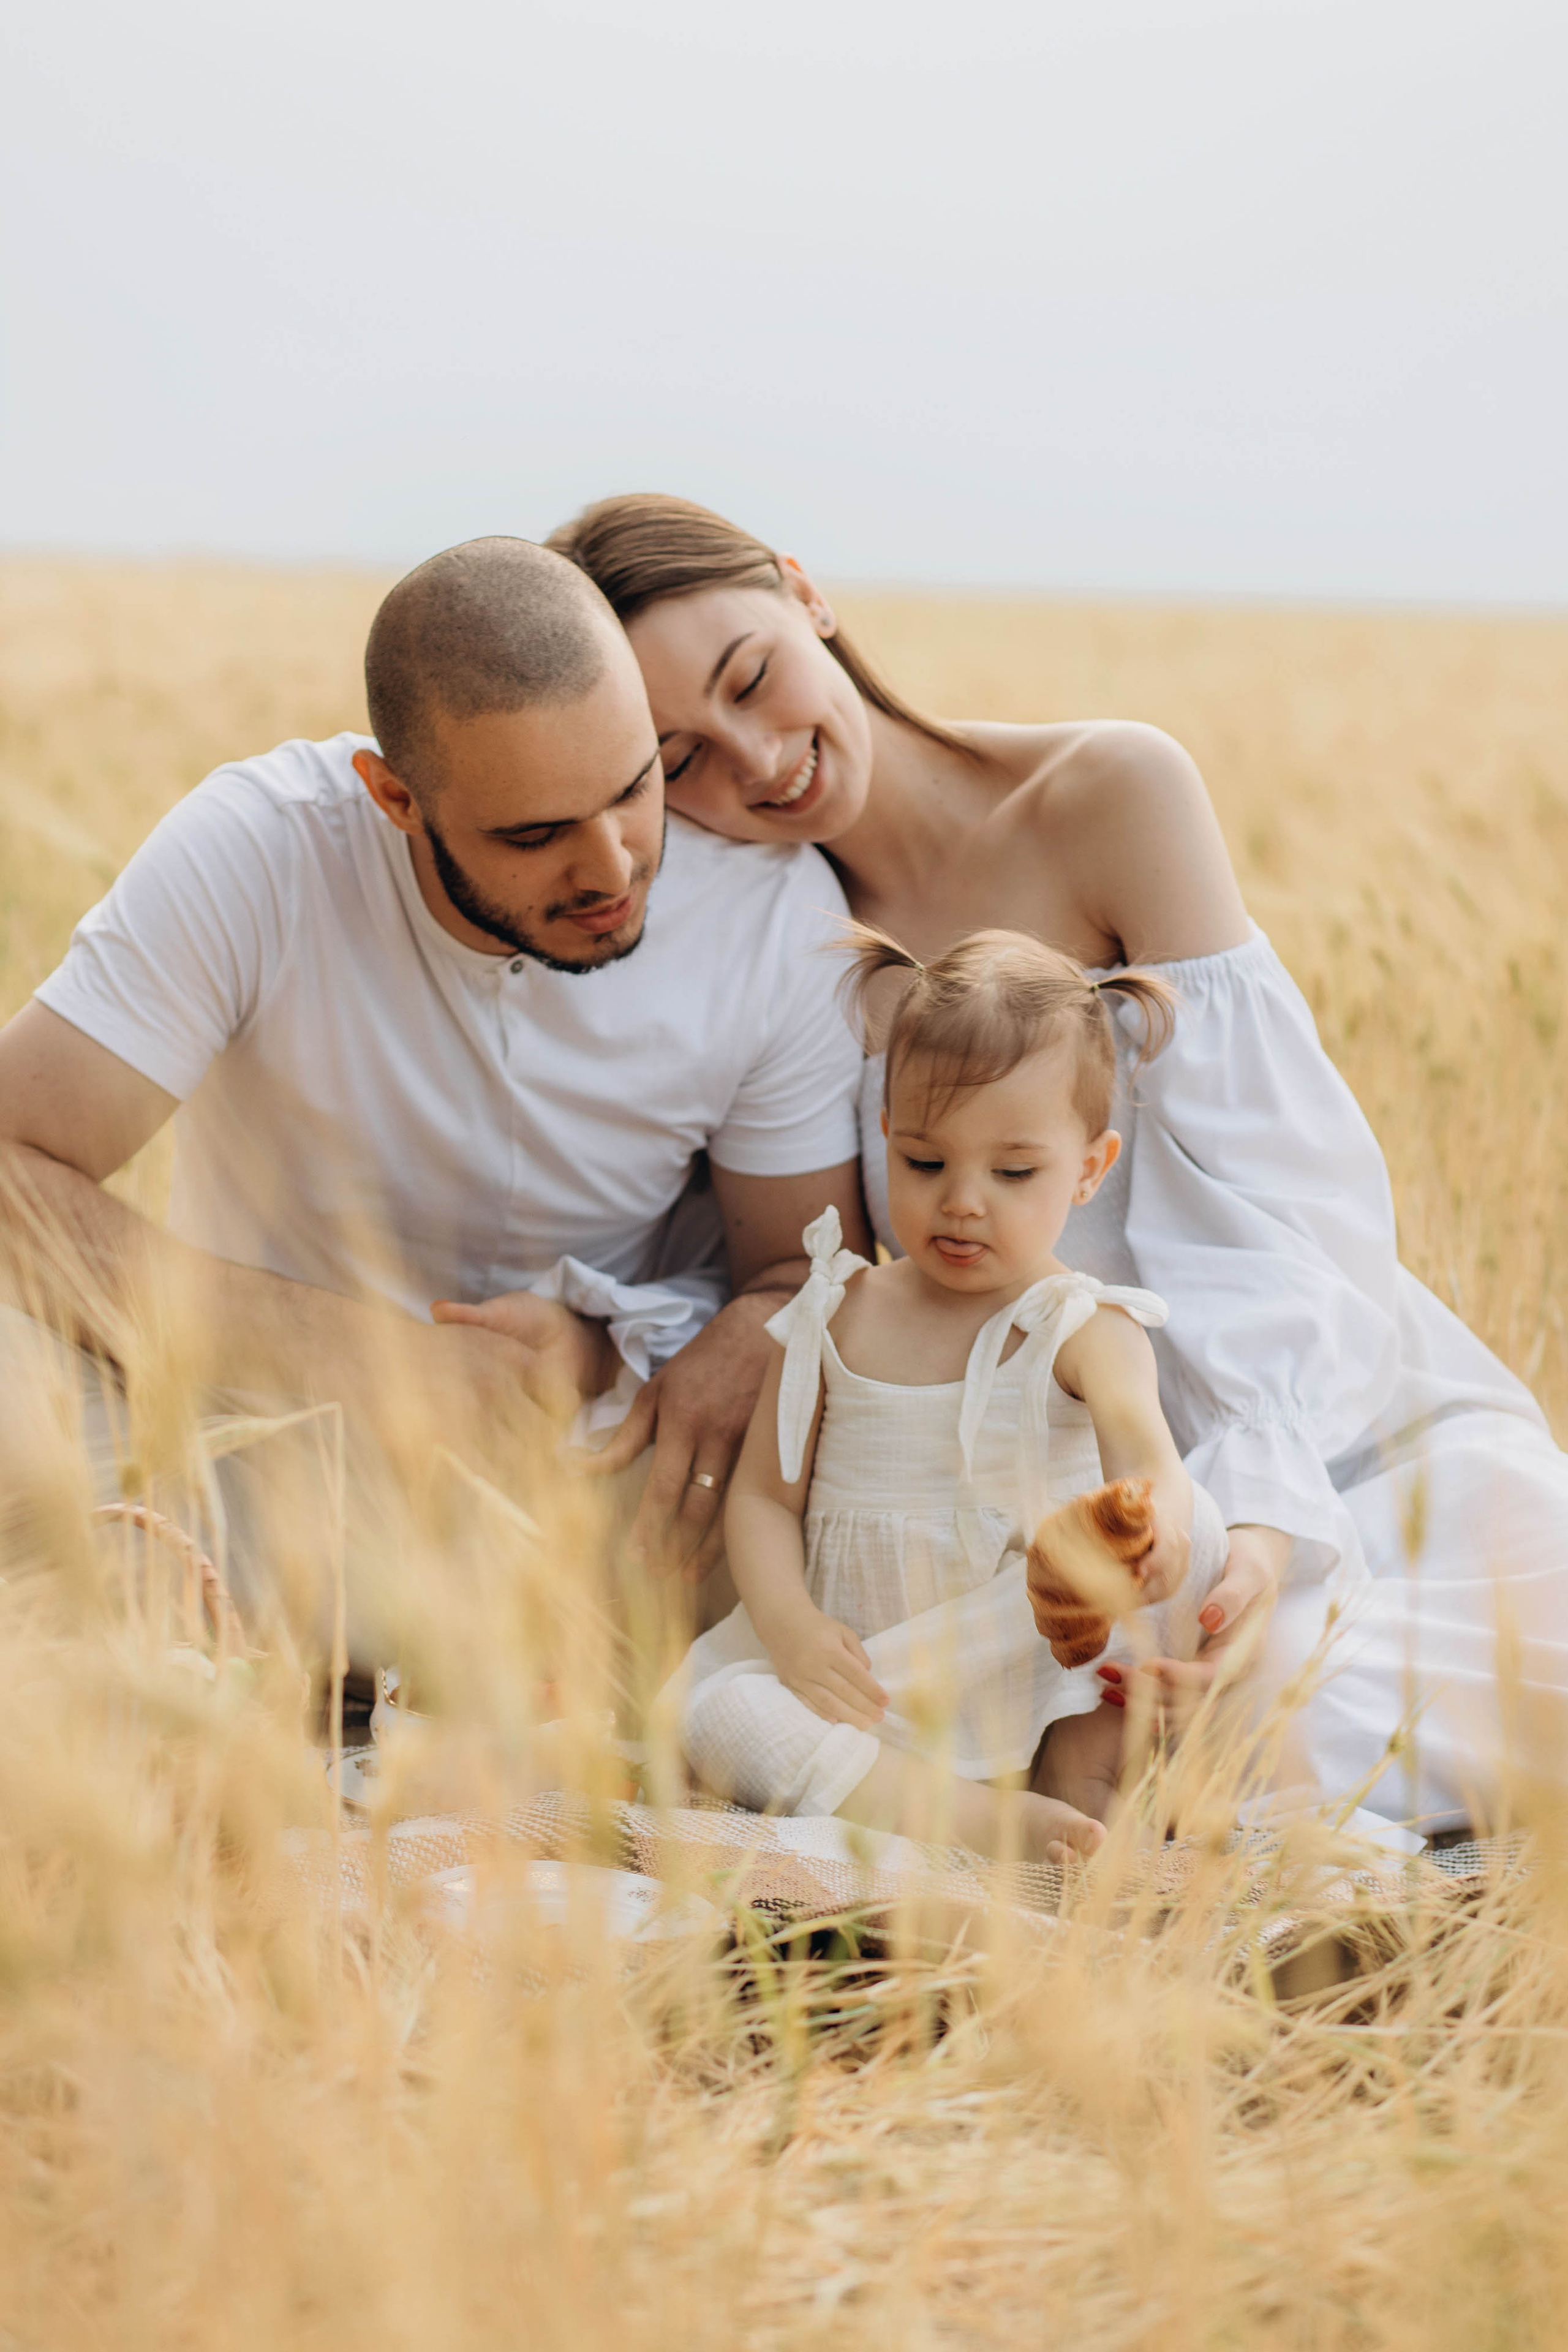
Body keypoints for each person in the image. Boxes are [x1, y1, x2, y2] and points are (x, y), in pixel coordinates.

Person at [549, 494, 1568, 1831]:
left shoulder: (1108, 795)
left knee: (1477, 1684)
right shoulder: (772, 950)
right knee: (1097, 1736)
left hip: (1319, 1433)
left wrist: (1253, 1518)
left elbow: (1292, 1204)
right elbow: (809, 1280)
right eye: (678, 759)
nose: (755, 758)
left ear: (805, 593)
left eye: (751, 679)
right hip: (1024, 1542)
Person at [0, 537, 868, 1602]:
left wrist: (675, 1341)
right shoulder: (261, 849)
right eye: (537, 832)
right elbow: (12, 1162)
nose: (612, 867)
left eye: (635, 786)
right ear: (394, 797)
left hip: (585, 1488)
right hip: (237, 1450)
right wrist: (366, 1357)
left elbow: (802, 1272)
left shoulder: (776, 920)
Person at [675, 927, 1229, 1861]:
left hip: (1022, 1650)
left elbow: (1148, 1458)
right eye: (927, 1163)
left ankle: (1082, 1790)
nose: (962, 1201)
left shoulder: (1080, 1325)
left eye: (1013, 1173)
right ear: (886, 1135)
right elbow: (767, 1499)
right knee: (721, 1715)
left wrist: (1159, 1533)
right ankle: (965, 1818)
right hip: (867, 1677)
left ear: (1089, 1168)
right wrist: (793, 1629)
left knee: (1193, 1534)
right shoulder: (834, 1309)